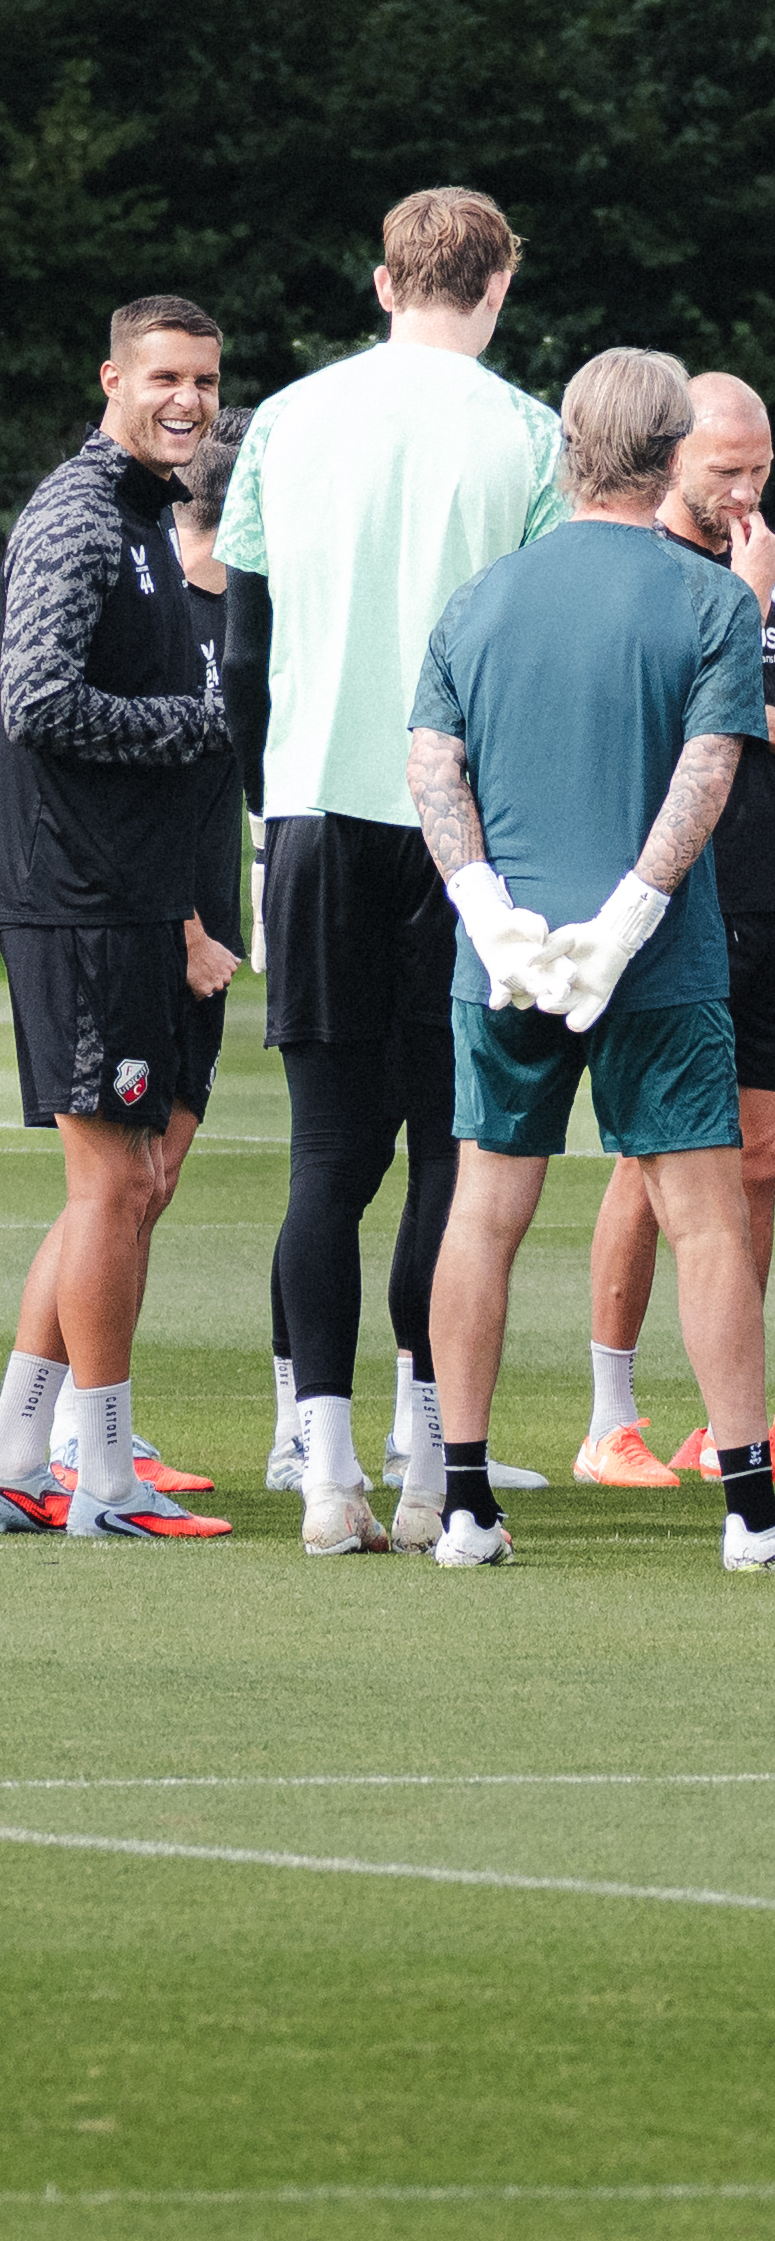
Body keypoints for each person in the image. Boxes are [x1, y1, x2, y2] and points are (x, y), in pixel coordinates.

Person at [407, 345, 775, 1571]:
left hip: (504, 955)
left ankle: (464, 1504)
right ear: (666, 457)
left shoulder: (482, 596)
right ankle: (750, 1511)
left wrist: (488, 911)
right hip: (658, 960)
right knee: (704, 1221)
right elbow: (708, 773)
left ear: (567, 450)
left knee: (484, 1211)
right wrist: (626, 922)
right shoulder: (714, 600)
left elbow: (433, 767)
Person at [217, 186, 563, 1552]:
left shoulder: (287, 418)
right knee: (441, 1153)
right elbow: (533, 653)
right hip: (461, 826)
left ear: (382, 283)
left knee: (324, 1156)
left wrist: (268, 803)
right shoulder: (528, 431)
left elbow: (243, 648)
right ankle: (429, 1464)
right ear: (499, 286)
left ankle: (325, 1474)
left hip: (312, 813)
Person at [578, 374, 775, 1495]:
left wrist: (760, 686)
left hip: (768, 896)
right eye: (724, 470)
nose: (747, 491)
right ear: (670, 460)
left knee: (761, 1158)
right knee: (652, 1158)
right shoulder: (638, 572)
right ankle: (609, 1422)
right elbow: (664, 722)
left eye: (761, 468)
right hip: (668, 898)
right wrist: (740, 616)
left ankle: (724, 1425)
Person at [0, 297, 239, 1543]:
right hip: (76, 899)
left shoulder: (143, 515)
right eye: (165, 378)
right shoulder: (78, 517)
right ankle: (103, 1483)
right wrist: (196, 724)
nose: (188, 400)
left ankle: (14, 1459)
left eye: (204, 380)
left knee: (125, 1184)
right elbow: (35, 700)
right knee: (113, 1185)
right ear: (112, 379)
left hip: (129, 897)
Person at [46, 405, 246, 1507]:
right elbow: (119, 775)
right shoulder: (149, 587)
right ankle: (85, 1447)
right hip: (151, 916)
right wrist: (185, 927)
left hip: (196, 906)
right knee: (117, 1188)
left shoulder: (231, 601)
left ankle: (38, 1436)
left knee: (138, 1189)